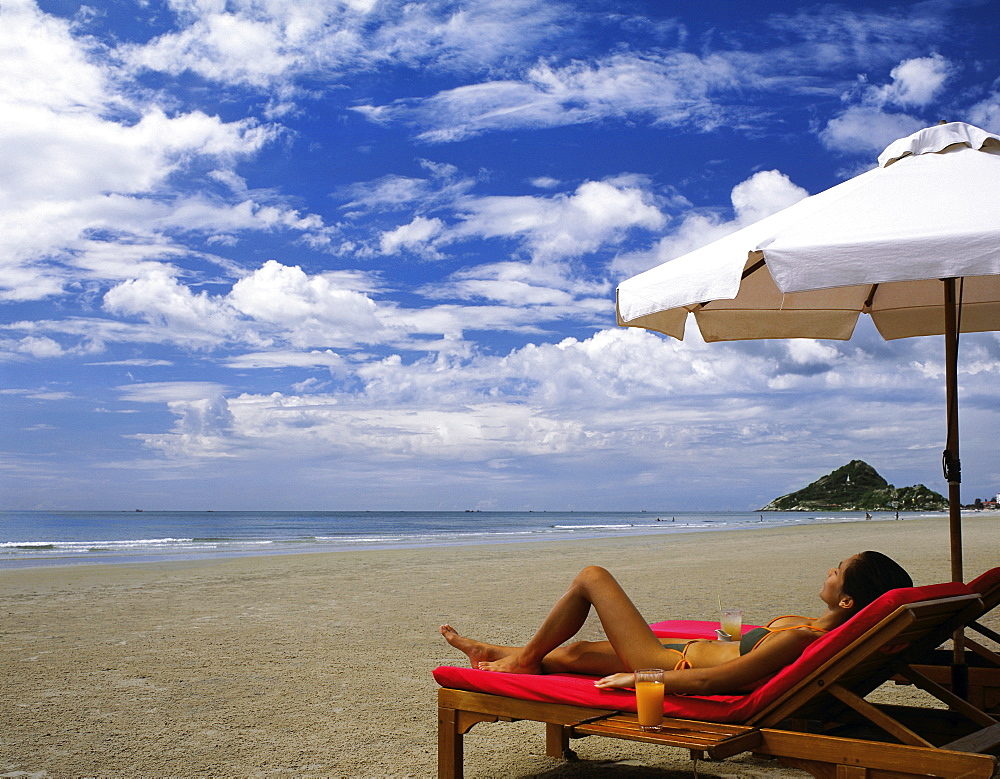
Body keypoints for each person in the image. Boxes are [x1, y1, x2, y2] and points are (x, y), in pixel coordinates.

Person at [441, 551, 911, 696]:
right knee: (571, 654)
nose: (830, 569)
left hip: (674, 666)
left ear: (848, 599)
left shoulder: (803, 639)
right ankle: (494, 652)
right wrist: (728, 627)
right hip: (686, 647)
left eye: (839, 569)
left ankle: (520, 660)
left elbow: (716, 679)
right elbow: (742, 646)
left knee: (592, 577)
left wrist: (639, 677)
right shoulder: (812, 626)